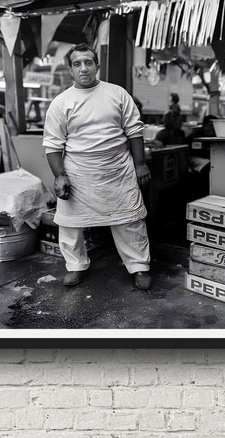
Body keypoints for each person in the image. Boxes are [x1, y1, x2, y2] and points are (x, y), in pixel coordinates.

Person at [42, 43, 153, 290]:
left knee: (130, 220)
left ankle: (139, 266)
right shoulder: (61, 102)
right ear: (70, 70)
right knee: (70, 224)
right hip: (79, 173)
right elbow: (52, 144)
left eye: (88, 62)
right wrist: (59, 175)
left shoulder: (117, 94)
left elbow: (135, 130)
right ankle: (75, 266)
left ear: (97, 66)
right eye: (77, 63)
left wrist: (140, 163)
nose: (84, 68)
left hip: (118, 171)